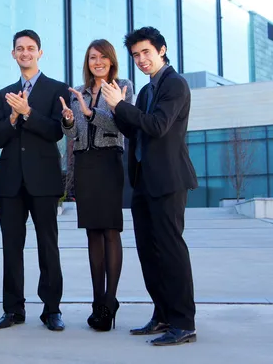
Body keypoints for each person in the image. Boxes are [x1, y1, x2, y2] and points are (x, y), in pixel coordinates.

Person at [102, 26, 198, 346]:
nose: (141, 59)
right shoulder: (145, 92)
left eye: (146, 52)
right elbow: (136, 131)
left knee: (170, 251)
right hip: (143, 181)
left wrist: (120, 106)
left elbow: (157, 126)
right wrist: (116, 109)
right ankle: (162, 315)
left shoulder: (175, 85)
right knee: (148, 253)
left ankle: (183, 322)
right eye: (135, 55)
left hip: (169, 180)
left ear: (161, 50)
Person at [0, 30, 68, 332]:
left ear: (40, 52)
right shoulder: (4, 93)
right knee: (11, 247)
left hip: (44, 180)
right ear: (13, 54)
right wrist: (11, 117)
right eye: (20, 49)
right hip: (10, 181)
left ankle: (52, 310)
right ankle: (13, 309)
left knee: (48, 245)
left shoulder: (56, 88)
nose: (25, 53)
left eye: (31, 48)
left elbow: (55, 132)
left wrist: (28, 112)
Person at [61, 39, 133, 331]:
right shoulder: (80, 91)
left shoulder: (122, 86)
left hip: (108, 162)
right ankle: (97, 301)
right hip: (85, 165)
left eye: (103, 56)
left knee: (110, 232)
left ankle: (111, 301)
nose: (98, 61)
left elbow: (123, 126)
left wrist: (91, 113)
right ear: (87, 62)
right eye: (92, 57)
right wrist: (68, 120)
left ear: (112, 60)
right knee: (92, 234)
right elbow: (74, 134)